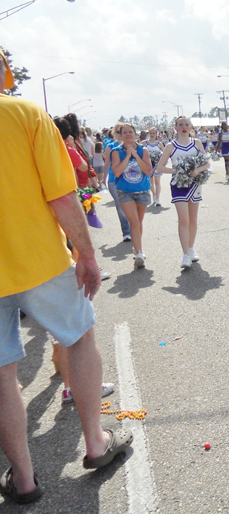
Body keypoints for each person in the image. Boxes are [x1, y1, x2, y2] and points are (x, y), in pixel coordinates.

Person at [0, 67, 133, 505]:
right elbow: (61, 194)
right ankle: (96, 444)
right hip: (39, 260)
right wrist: (87, 254)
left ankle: (23, 480)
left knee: (1, 374)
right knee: (78, 337)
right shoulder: (24, 114)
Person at [157, 116, 210, 269]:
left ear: (191, 127)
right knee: (184, 220)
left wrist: (196, 170)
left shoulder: (197, 143)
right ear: (176, 128)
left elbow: (206, 163)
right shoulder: (170, 146)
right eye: (181, 125)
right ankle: (185, 254)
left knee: (193, 220)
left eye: (187, 124)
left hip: (194, 184)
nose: (184, 127)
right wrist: (177, 171)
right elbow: (160, 167)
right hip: (178, 185)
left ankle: (191, 248)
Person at [111, 123, 152, 268]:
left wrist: (135, 155)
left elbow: (148, 171)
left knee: (139, 222)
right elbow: (116, 172)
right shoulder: (116, 152)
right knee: (134, 222)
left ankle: (137, 248)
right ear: (120, 135)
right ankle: (139, 253)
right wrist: (128, 156)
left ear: (135, 134)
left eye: (130, 132)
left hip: (142, 190)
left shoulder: (143, 150)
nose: (128, 134)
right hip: (125, 191)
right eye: (125, 132)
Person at [102, 123, 132, 242]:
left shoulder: (132, 145)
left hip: (129, 179)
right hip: (114, 180)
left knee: (131, 205)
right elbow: (107, 163)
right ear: (116, 133)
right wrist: (103, 179)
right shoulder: (110, 146)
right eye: (119, 132)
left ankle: (134, 227)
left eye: (124, 131)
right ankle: (126, 231)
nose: (122, 134)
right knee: (120, 206)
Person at [143, 127, 164, 207]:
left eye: (153, 133)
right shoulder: (144, 143)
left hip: (157, 165)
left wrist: (161, 161)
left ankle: (158, 199)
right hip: (148, 165)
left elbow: (165, 153)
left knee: (157, 182)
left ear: (156, 134)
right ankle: (154, 194)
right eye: (150, 133)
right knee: (150, 183)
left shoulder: (159, 144)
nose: (152, 135)